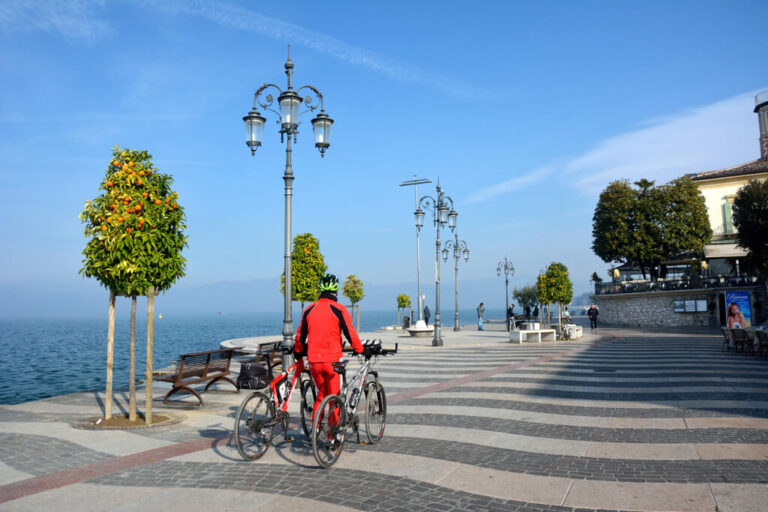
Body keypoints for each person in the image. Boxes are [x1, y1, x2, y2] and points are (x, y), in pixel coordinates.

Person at [294, 274, 365, 437]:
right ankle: (333, 437)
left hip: (314, 361)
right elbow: (350, 333)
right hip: (332, 361)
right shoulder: (339, 309)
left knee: (321, 394)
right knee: (334, 398)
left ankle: (315, 431)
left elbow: (300, 336)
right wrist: (360, 349)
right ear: (335, 291)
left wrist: (298, 351)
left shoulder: (309, 309)